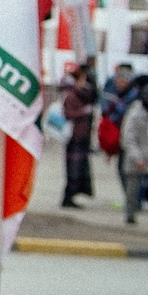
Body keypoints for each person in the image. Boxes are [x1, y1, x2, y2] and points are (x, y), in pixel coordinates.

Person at [59, 73, 96, 207]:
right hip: (74, 136)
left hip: (80, 136)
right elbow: (68, 114)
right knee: (74, 168)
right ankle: (68, 196)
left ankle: (73, 194)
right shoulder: (72, 96)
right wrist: (83, 112)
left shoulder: (80, 95)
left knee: (79, 167)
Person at [121, 84, 148, 225]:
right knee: (132, 189)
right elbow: (128, 138)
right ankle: (130, 214)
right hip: (137, 157)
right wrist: (137, 157)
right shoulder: (135, 114)